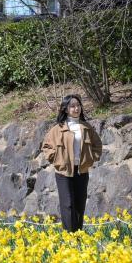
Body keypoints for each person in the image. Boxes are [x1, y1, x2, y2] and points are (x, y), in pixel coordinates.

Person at [39, 94, 101, 233]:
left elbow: (97, 145)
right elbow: (46, 147)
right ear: (66, 109)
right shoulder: (58, 128)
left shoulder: (86, 127)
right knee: (67, 205)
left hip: (81, 171)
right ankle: (69, 236)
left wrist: (91, 158)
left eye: (78, 105)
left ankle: (78, 235)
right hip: (64, 172)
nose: (76, 108)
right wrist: (56, 160)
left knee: (79, 205)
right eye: (72, 106)